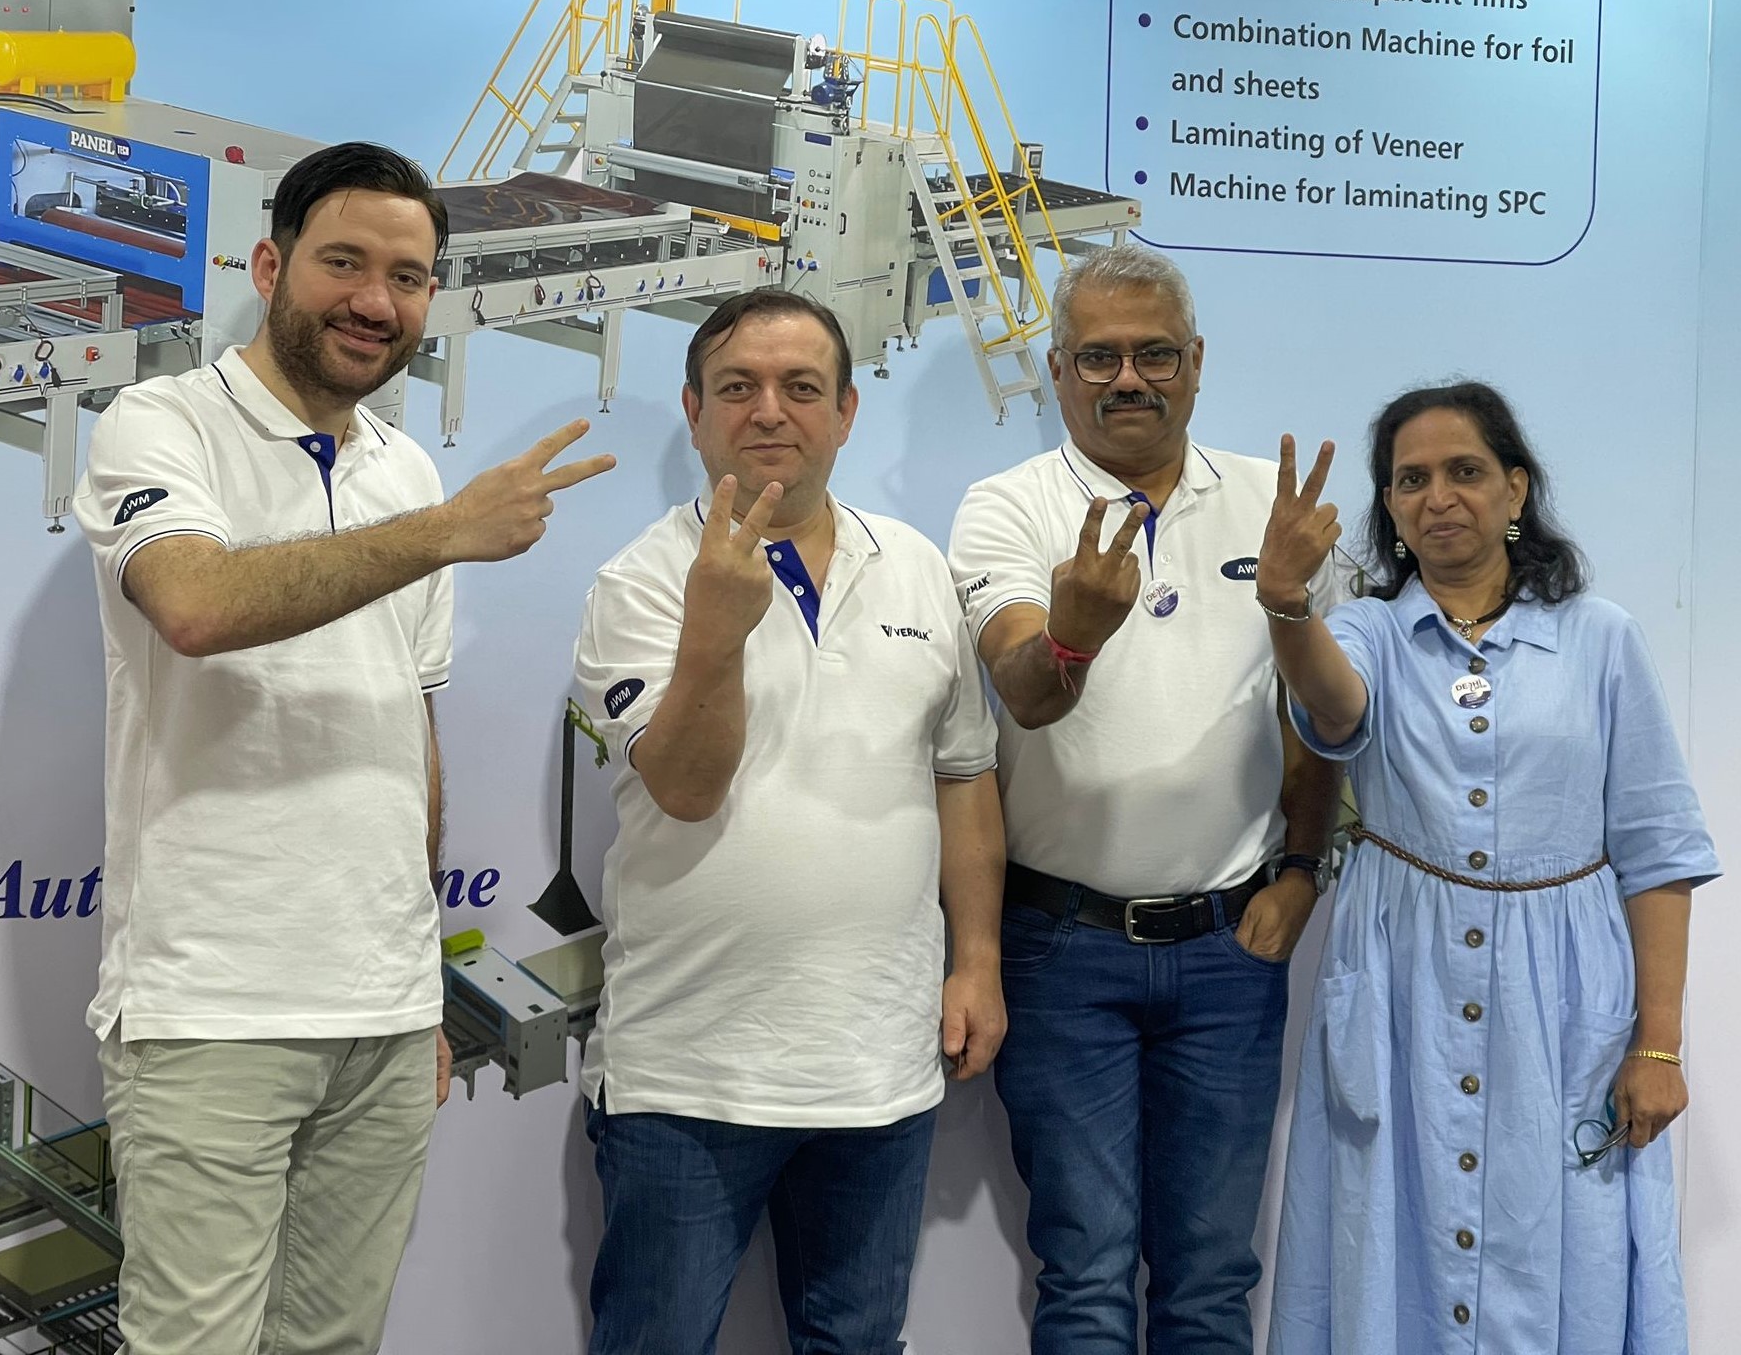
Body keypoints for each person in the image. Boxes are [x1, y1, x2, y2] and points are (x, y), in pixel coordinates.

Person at [72, 141, 615, 1355]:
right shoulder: (161, 425)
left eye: (408, 278)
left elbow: (410, 721)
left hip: (384, 1011)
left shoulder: (405, 467)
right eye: (345, 263)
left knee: (334, 1345)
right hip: (212, 1006)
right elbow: (195, 605)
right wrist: (440, 532)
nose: (376, 300)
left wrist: (417, 983)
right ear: (271, 267)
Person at [573, 288, 1005, 1355]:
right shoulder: (638, 583)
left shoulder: (915, 566)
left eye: (801, 387)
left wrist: (978, 962)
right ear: (694, 412)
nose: (769, 410)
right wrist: (713, 632)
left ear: (847, 412)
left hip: (878, 1069)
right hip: (686, 1075)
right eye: (738, 387)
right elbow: (684, 786)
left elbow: (963, 775)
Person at [1256, 381, 1719, 1354]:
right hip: (1404, 994)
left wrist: (1659, 1045)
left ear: (1515, 489)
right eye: (1410, 479)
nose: (1437, 497)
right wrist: (1287, 604)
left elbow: (1658, 852)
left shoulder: (1600, 639)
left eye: (1463, 471)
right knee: (1392, 1237)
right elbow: (1334, 708)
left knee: (1560, 1243)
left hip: (1562, 1003)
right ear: (1390, 507)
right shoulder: (1369, 632)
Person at [947, 244, 1345, 1353]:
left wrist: (1303, 868)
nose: (1128, 379)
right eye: (1099, 358)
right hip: (1060, 949)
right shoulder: (1005, 507)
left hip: (1231, 949)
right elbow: (1025, 692)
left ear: (1196, 362)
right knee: (1083, 1276)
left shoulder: (1275, 507)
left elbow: (1317, 716)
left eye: (1155, 354)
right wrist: (1072, 634)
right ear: (1058, 372)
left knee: (1212, 1279)